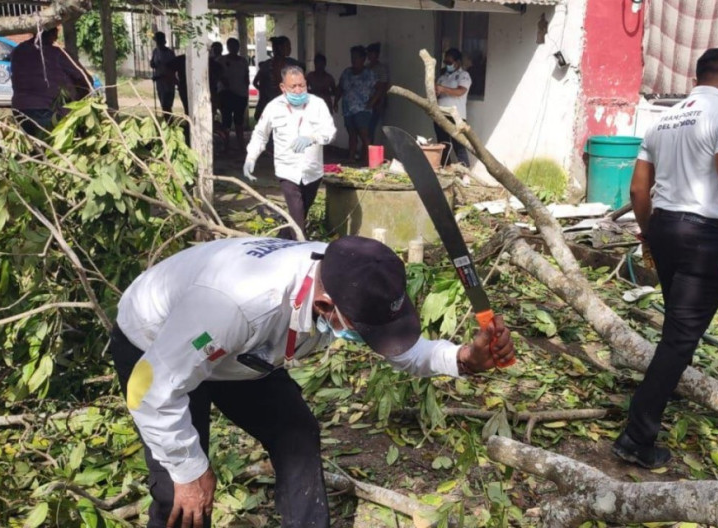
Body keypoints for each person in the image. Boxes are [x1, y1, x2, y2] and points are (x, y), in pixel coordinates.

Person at [111, 235, 516, 528]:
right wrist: (189, 469)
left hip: (241, 352)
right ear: (325, 306)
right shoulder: (236, 305)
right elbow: (150, 389)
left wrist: (464, 359)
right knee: (180, 494)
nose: (373, 342)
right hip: (157, 348)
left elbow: (399, 348)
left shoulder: (352, 275)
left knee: (295, 433)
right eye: (366, 331)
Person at [613, 48, 718, 469]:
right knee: (679, 341)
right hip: (701, 237)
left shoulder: (662, 120)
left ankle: (649, 409)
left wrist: (648, 234)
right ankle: (636, 436)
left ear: (695, 76)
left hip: (664, 228)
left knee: (677, 329)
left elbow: (637, 193)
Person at [244, 66, 336, 240]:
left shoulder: (317, 104)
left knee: (301, 212)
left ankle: (281, 239)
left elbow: (329, 132)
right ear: (282, 87)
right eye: (293, 87)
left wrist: (312, 138)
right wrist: (251, 157)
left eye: (301, 85)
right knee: (297, 218)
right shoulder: (273, 107)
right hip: (287, 170)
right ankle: (300, 249)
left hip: (312, 171)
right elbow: (260, 134)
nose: (298, 90)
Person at [10, 28, 93, 137]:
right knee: (55, 147)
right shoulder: (58, 54)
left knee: (36, 148)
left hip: (20, 109)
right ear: (53, 34)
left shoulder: (17, 51)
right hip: (47, 110)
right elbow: (84, 78)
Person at [334, 45, 376, 162]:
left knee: (364, 136)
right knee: (352, 135)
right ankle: (351, 158)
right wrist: (336, 101)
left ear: (363, 59)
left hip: (362, 109)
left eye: (356, 57)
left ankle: (369, 160)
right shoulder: (347, 72)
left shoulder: (369, 74)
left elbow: (380, 88)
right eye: (352, 57)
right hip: (348, 109)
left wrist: (372, 102)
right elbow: (340, 88)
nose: (354, 60)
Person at [434, 48, 472, 167]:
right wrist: (436, 91)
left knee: (459, 145)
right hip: (441, 114)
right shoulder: (442, 77)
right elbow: (436, 94)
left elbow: (460, 91)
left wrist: (443, 89)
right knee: (443, 144)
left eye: (450, 63)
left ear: (458, 62)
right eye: (446, 62)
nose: (447, 65)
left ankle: (465, 173)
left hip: (456, 115)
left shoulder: (463, 75)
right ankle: (446, 169)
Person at [253, 36, 304, 121]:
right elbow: (256, 82)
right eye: (287, 46)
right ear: (280, 48)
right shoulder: (267, 66)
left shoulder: (293, 64)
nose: (290, 48)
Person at [216, 38, 250, 152]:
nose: (234, 48)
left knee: (239, 121)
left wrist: (246, 91)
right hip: (226, 94)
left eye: (236, 46)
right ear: (228, 47)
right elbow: (217, 74)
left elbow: (246, 76)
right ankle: (226, 145)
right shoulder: (221, 60)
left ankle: (241, 145)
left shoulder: (243, 61)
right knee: (226, 120)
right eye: (231, 46)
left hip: (240, 94)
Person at [365, 42, 390, 144]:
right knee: (365, 128)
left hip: (376, 101)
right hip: (366, 100)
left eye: (372, 53)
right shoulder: (366, 67)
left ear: (377, 54)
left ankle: (370, 152)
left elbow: (383, 86)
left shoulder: (381, 68)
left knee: (371, 128)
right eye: (369, 53)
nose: (370, 56)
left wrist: (380, 102)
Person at [150, 32, 177, 115]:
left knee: (167, 105)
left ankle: (170, 123)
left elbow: (173, 67)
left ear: (163, 41)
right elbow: (153, 63)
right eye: (157, 41)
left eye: (159, 41)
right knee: (163, 104)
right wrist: (152, 64)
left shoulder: (169, 53)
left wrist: (161, 76)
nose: (158, 43)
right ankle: (168, 123)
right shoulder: (155, 51)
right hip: (159, 82)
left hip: (168, 81)